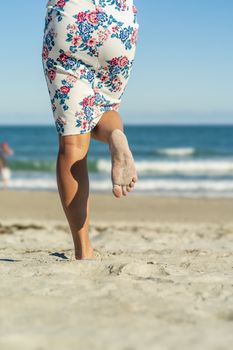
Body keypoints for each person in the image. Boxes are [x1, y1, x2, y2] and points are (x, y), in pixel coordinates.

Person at [42, 0, 139, 260]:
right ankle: (115, 135)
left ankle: (83, 250)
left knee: (73, 143)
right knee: (103, 109)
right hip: (117, 21)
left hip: (70, 18)